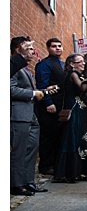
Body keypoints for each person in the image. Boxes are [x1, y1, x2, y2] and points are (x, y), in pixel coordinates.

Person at [10, 39, 57, 196]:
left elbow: (33, 91)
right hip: (19, 115)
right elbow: (11, 90)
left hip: (31, 116)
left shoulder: (26, 70)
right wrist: (33, 94)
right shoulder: (13, 67)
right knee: (19, 151)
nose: (32, 51)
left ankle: (28, 181)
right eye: (29, 48)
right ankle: (16, 184)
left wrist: (44, 90)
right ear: (18, 49)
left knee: (31, 150)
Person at [54, 53, 87, 183]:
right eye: (79, 62)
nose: (83, 63)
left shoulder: (78, 75)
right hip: (75, 110)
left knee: (81, 137)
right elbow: (82, 87)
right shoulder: (73, 74)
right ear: (72, 64)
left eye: (83, 61)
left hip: (81, 110)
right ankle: (70, 172)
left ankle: (79, 171)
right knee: (73, 139)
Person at [34, 37, 66, 176]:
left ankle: (54, 164)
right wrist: (48, 102)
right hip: (49, 106)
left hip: (60, 106)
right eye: (54, 46)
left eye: (59, 46)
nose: (57, 48)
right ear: (48, 48)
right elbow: (42, 84)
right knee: (47, 136)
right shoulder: (44, 64)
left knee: (58, 136)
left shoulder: (63, 64)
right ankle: (45, 166)